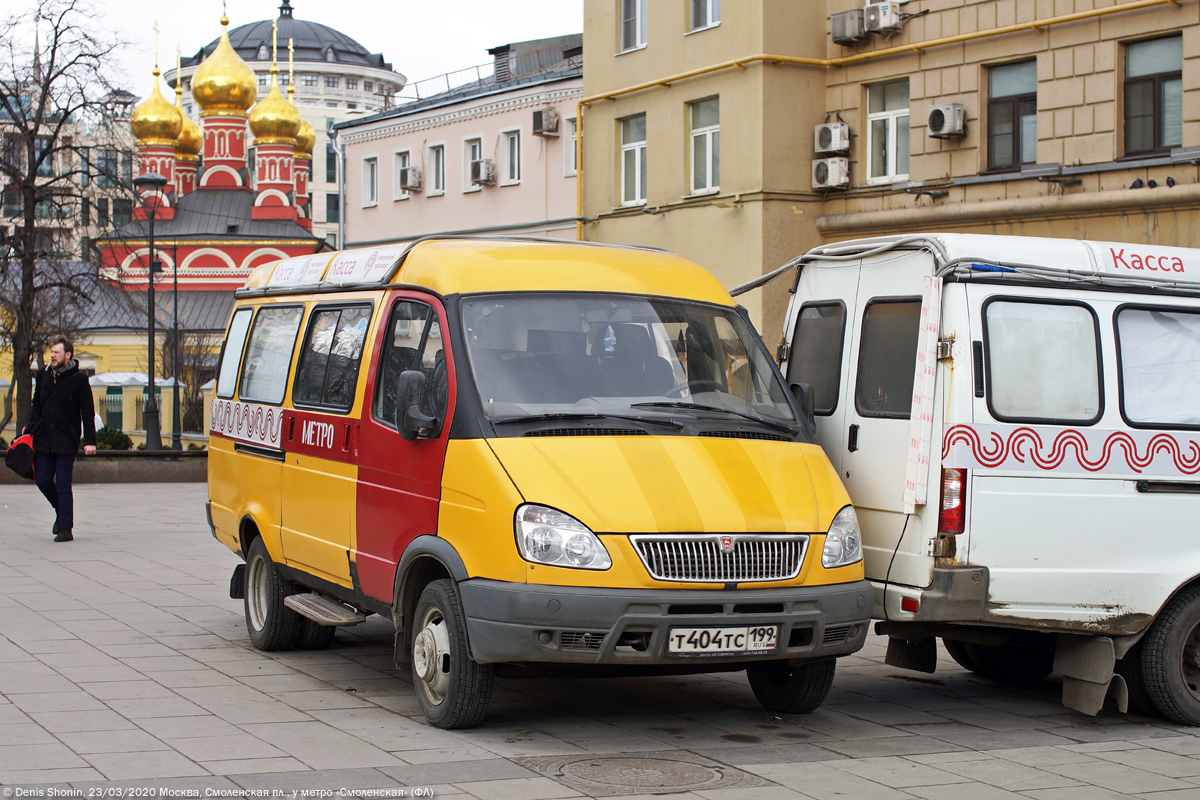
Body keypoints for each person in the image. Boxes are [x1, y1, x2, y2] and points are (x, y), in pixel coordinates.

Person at [27, 337, 96, 542]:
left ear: (68, 355)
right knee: (43, 479)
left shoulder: (79, 380)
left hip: (66, 440)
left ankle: (66, 528)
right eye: (52, 352)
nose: (53, 355)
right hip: (44, 439)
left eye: (57, 352)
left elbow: (87, 412)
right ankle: (61, 510)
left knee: (64, 483)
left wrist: (90, 441)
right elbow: (36, 403)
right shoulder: (43, 375)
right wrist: (32, 426)